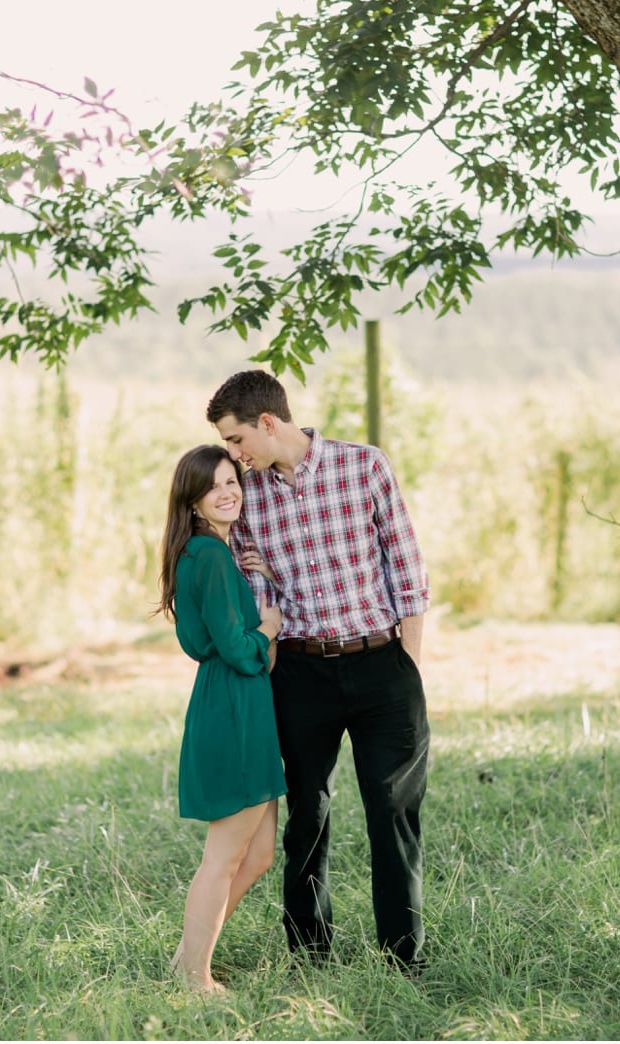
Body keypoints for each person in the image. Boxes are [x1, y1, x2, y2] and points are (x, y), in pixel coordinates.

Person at [206, 369, 431, 973]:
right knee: (307, 813)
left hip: (383, 664)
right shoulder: (247, 500)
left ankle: (403, 957)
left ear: (268, 423)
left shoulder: (364, 466)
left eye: (235, 440)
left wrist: (405, 668)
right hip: (300, 674)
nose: (233, 455)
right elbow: (255, 594)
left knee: (393, 813)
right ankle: (310, 955)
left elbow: (406, 569)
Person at [157, 444, 288, 993]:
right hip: (233, 704)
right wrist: (270, 628)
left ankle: (187, 957)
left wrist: (253, 581)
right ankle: (195, 978)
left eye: (232, 479)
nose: (228, 491)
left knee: (257, 854)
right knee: (224, 856)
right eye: (214, 486)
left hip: (240, 702)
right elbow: (236, 648)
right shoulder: (208, 556)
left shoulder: (212, 553)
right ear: (193, 501)